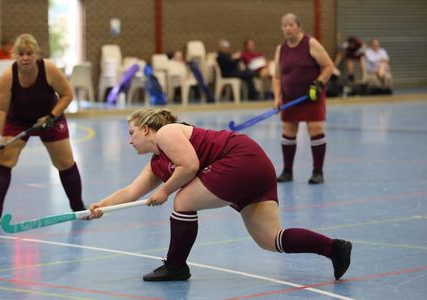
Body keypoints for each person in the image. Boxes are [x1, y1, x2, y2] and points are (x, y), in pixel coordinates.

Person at [87, 108, 352, 282]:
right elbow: (132, 191)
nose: (130, 140)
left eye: (131, 133)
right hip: (256, 166)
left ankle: (176, 266)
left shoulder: (168, 133)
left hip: (240, 158)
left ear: (146, 129)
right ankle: (334, 248)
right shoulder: (156, 163)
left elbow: (189, 165)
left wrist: (165, 191)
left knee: (183, 201)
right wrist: (102, 207)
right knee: (269, 239)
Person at [0, 33, 86, 226]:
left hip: (49, 119)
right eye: (21, 53)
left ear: (36, 54)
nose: (25, 58)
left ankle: (78, 207)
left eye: (29, 53)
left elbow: (67, 95)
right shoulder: (8, 75)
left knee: (64, 161)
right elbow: (0, 108)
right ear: (15, 54)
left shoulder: (48, 69)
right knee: (3, 159)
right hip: (19, 121)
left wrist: (51, 117)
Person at [272, 13, 334, 184]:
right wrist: (277, 97)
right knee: (288, 131)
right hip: (290, 98)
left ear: (298, 26)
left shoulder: (310, 43)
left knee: (315, 128)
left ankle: (317, 172)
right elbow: (277, 76)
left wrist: (318, 83)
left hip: (311, 96)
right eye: (284, 25)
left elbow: (329, 66)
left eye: (291, 24)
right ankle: (287, 171)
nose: (287, 28)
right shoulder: (281, 49)